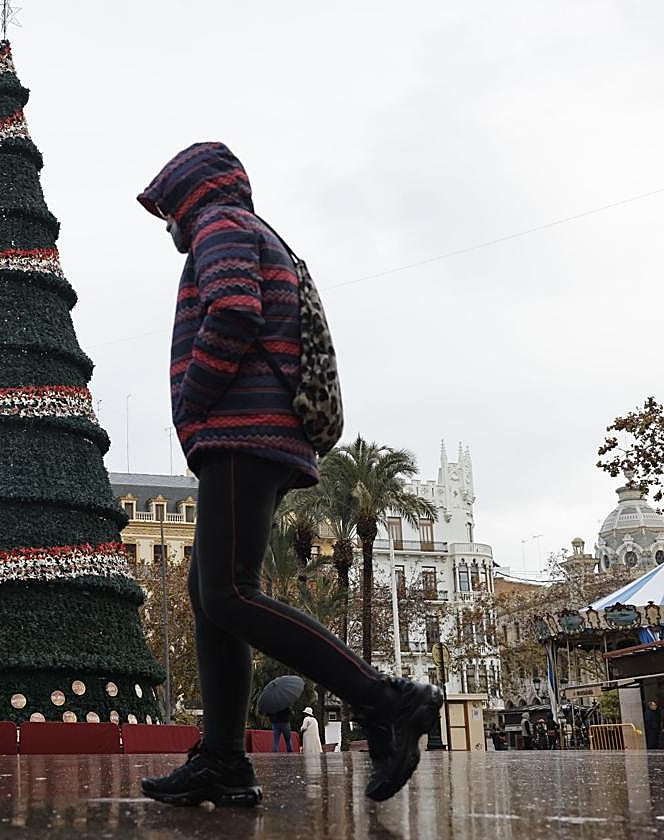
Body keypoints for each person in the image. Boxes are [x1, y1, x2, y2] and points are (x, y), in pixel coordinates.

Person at [136, 142, 442, 808]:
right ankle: (222, 760)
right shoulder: (250, 229)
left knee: (227, 592)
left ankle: (385, 700)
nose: (169, 226)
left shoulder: (220, 224)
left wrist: (194, 399)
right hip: (255, 434)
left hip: (242, 431)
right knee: (211, 598)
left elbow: (234, 311)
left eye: (169, 210)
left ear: (190, 195)